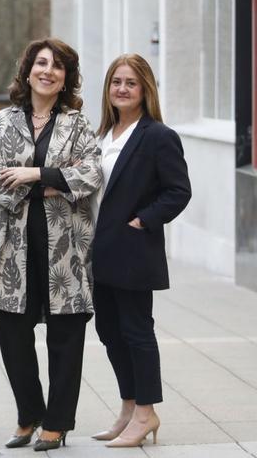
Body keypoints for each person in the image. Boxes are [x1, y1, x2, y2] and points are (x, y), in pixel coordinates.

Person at [0, 38, 102, 451]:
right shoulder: (1, 122)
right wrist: (55, 180)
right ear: (28, 70)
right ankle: (29, 414)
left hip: (64, 249)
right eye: (41, 63)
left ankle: (57, 422)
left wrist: (33, 176)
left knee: (65, 336)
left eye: (58, 66)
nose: (48, 71)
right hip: (14, 248)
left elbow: (90, 174)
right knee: (12, 333)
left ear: (67, 77)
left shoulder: (78, 124)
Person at [90, 54, 191, 448]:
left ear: (145, 88)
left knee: (136, 331)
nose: (122, 88)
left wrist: (143, 221)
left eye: (131, 82)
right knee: (109, 331)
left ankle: (147, 412)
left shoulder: (157, 136)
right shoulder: (104, 134)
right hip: (99, 250)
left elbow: (178, 192)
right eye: (116, 81)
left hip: (132, 249)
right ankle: (129, 407)